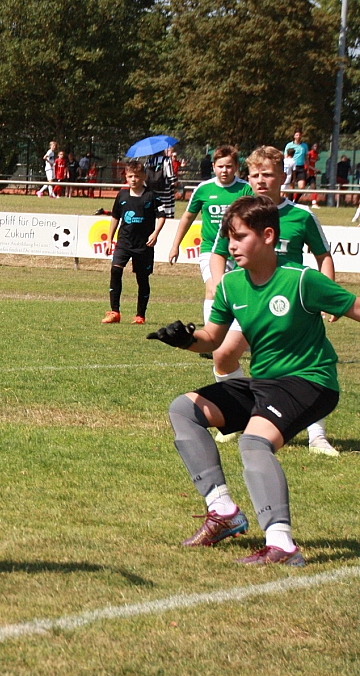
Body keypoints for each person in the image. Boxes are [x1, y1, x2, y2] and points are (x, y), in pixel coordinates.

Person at [149, 195, 360, 566]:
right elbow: (212, 339)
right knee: (184, 409)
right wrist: (184, 339)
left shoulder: (302, 280)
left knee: (253, 442)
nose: (231, 246)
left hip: (310, 380)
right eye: (229, 238)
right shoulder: (231, 285)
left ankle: (282, 545)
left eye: (240, 236)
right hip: (264, 383)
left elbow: (355, 307)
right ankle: (223, 512)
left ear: (267, 236)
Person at [208, 145, 337, 456]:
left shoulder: (301, 216)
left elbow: (323, 256)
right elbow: (218, 253)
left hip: (290, 305)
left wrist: (327, 295)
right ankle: (239, 417)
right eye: (254, 175)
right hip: (250, 300)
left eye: (267, 174)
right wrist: (217, 283)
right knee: (223, 355)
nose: (260, 180)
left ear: (283, 176)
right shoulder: (239, 215)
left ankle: (317, 436)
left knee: (300, 366)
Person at [168, 146, 251, 323]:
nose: (224, 170)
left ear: (236, 167)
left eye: (229, 166)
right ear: (213, 167)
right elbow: (187, 217)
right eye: (220, 166)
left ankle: (236, 331)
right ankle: (211, 333)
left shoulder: (246, 189)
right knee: (213, 288)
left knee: (237, 291)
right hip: (210, 249)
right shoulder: (204, 189)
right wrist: (175, 245)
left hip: (239, 251)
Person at [101, 160, 164, 324]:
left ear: (144, 177)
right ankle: (114, 312)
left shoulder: (151, 196)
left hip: (143, 245)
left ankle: (140, 315)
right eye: (130, 176)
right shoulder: (122, 195)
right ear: (126, 177)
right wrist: (109, 240)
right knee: (115, 271)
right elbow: (115, 217)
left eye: (137, 176)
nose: (133, 179)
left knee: (142, 279)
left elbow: (162, 216)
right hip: (124, 242)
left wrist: (155, 233)